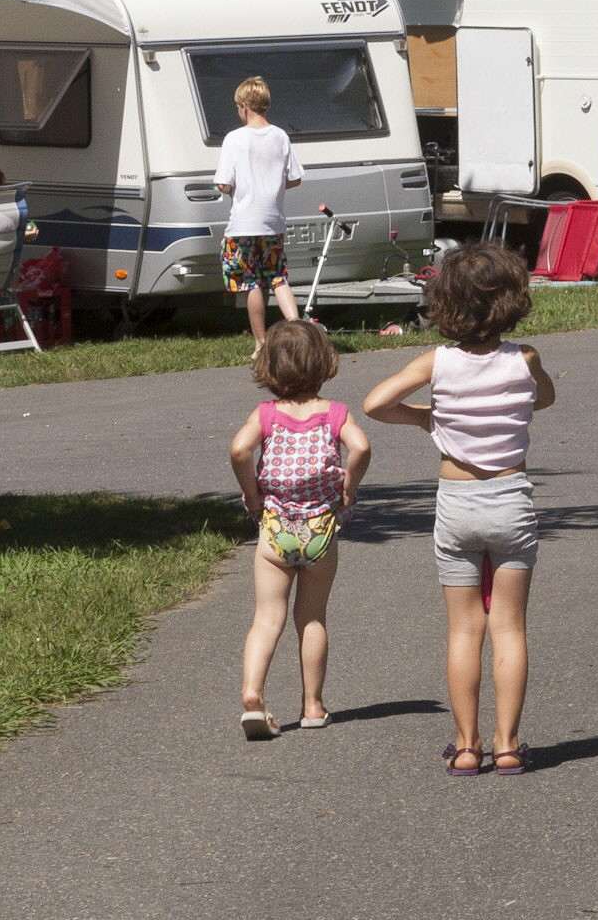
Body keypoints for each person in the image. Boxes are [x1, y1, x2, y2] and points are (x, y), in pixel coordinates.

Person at [363, 244, 558, 775]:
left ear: (444, 305)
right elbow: (543, 399)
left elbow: (375, 403)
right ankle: (509, 742)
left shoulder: (437, 363)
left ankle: (468, 744)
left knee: (464, 629)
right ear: (512, 302)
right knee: (510, 627)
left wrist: (429, 418)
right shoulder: (525, 359)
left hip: (457, 504)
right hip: (511, 500)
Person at [229, 319, 369, 740]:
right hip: (321, 530)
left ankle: (253, 694)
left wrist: (252, 494)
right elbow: (361, 446)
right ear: (324, 362)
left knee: (266, 617)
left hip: (275, 531)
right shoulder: (335, 413)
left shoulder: (266, 415)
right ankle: (312, 706)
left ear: (269, 367)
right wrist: (349, 486)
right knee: (311, 617)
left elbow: (239, 449)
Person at [214, 75, 305, 352]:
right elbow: (295, 178)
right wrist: (273, 184)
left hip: (243, 222)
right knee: (278, 277)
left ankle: (260, 342)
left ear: (244, 105)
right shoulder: (280, 136)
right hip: (272, 220)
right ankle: (301, 333)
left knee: (251, 281)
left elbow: (223, 182)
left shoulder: (235, 139)